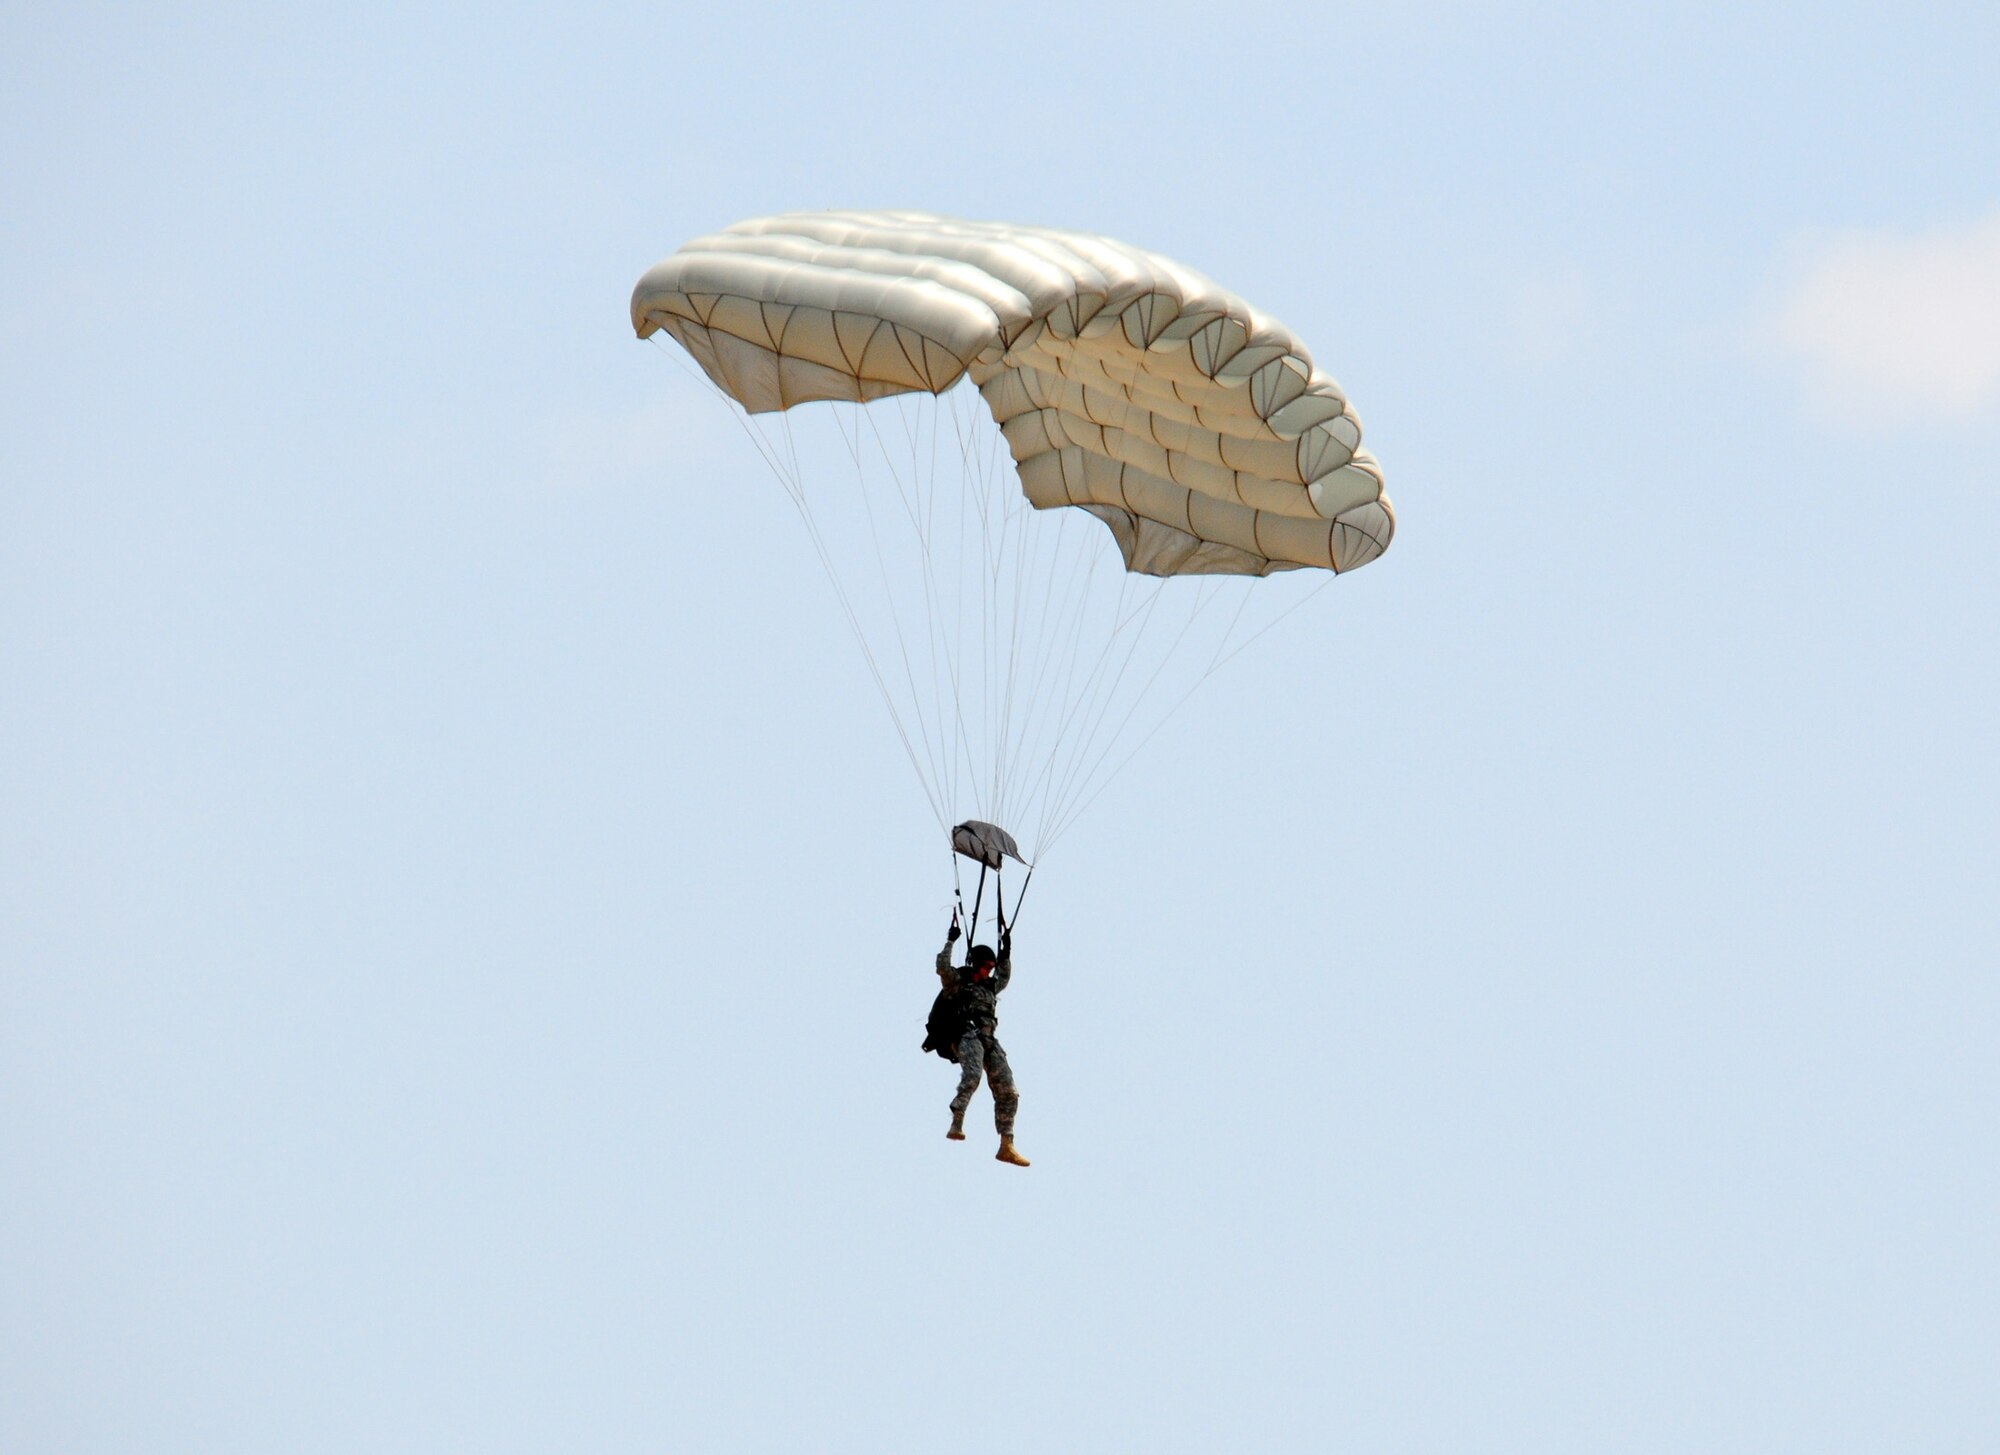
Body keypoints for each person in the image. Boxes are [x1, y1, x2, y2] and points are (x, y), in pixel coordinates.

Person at [929, 912, 1029, 1166]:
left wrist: (1006, 951)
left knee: (1008, 1090)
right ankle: (957, 1121)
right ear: (975, 964)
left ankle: (1006, 1144)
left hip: (988, 1040)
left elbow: (1005, 977)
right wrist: (951, 940)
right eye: (986, 967)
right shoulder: (958, 982)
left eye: (991, 968)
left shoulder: (990, 987)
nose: (989, 972)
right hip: (965, 1033)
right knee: (973, 1075)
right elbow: (942, 967)